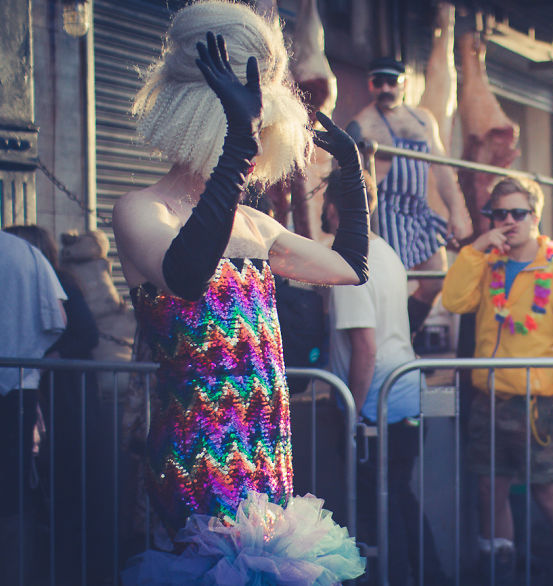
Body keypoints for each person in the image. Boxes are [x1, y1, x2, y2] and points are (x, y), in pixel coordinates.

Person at [112, 3, 365, 582]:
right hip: (199, 450)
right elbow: (185, 273)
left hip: (266, 449)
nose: (255, 147)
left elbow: (350, 267)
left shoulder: (256, 224)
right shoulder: (140, 210)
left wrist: (351, 175)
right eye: (248, 130)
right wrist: (236, 144)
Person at [441, 177, 553, 585]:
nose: (508, 221)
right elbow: (454, 301)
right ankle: (500, 574)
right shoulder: (487, 263)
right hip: (488, 400)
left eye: (517, 213)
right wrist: (475, 249)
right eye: (499, 214)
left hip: (537, 407)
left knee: (549, 493)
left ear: (535, 216)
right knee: (490, 490)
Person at [323, 170, 446, 585]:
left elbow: (366, 348)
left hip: (378, 409)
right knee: (397, 497)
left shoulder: (348, 263)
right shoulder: (386, 252)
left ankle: (408, 577)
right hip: (406, 399)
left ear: (333, 207)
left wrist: (352, 413)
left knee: (382, 508)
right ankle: (432, 575)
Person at [3, 225, 113, 583]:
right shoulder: (50, 277)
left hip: (66, 395)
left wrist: (51, 357)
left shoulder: (63, 282)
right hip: (49, 390)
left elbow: (85, 334)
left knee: (64, 476)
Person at [346, 56, 473, 336]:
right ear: (370, 85)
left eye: (391, 82)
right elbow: (351, 179)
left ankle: (408, 335)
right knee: (392, 284)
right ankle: (392, 341)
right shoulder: (362, 124)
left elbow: (442, 169)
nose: (385, 88)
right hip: (387, 214)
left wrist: (456, 211)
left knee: (435, 280)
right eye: (378, 82)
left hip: (419, 211)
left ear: (403, 84)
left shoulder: (423, 120)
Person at [0, 230, 67, 586]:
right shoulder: (25, 254)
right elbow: (58, 319)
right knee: (13, 490)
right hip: (19, 389)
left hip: (18, 388)